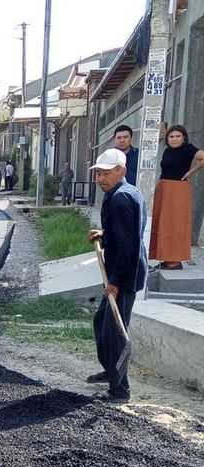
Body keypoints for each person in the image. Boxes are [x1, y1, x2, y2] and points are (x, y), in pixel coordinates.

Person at [86, 148, 147, 403]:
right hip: (122, 272)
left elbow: (127, 247)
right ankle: (111, 369)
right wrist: (104, 233)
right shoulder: (123, 193)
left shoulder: (121, 199)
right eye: (99, 173)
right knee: (102, 321)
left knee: (115, 333)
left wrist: (114, 282)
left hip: (124, 275)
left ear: (121, 171)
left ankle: (120, 391)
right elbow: (126, 233)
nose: (101, 178)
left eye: (106, 173)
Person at [148, 124, 204, 270]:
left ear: (183, 137)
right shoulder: (167, 151)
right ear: (167, 139)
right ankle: (166, 258)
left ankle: (175, 260)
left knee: (176, 224)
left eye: (178, 136)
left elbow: (203, 158)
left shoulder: (188, 149)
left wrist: (191, 172)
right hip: (164, 187)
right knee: (163, 223)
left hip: (178, 188)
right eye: (171, 136)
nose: (174, 139)